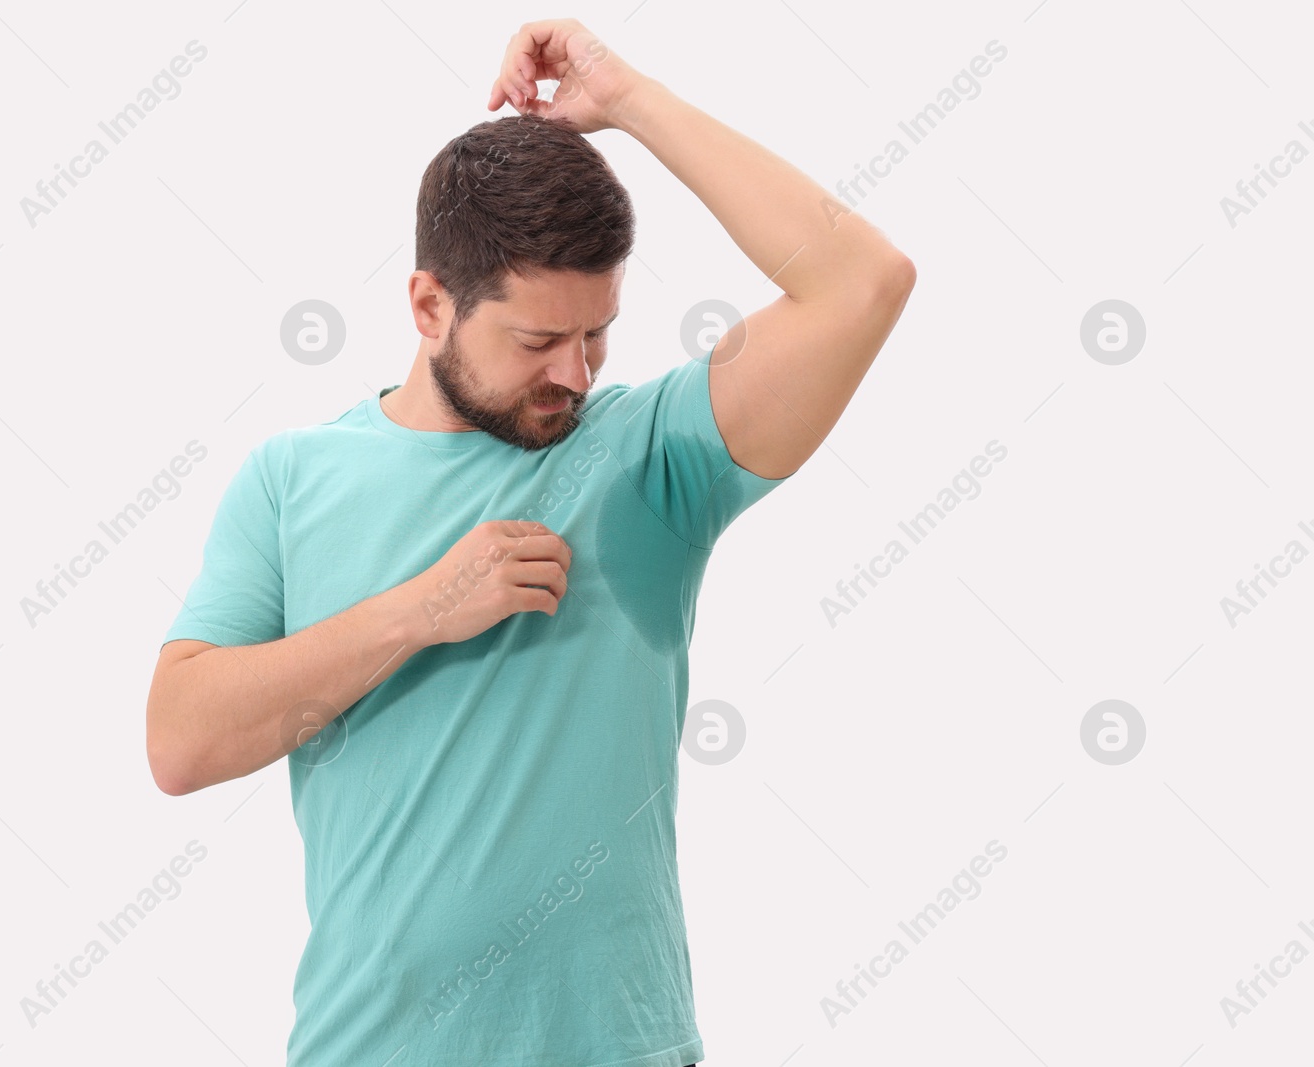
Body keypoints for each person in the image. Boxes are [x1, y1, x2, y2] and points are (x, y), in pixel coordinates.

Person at [146, 17, 914, 1066]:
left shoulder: (653, 455)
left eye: (596, 332)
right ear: (428, 305)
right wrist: (423, 608)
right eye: (537, 340)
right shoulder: (291, 477)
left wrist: (631, 101)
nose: (575, 373)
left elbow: (862, 283)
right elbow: (180, 742)